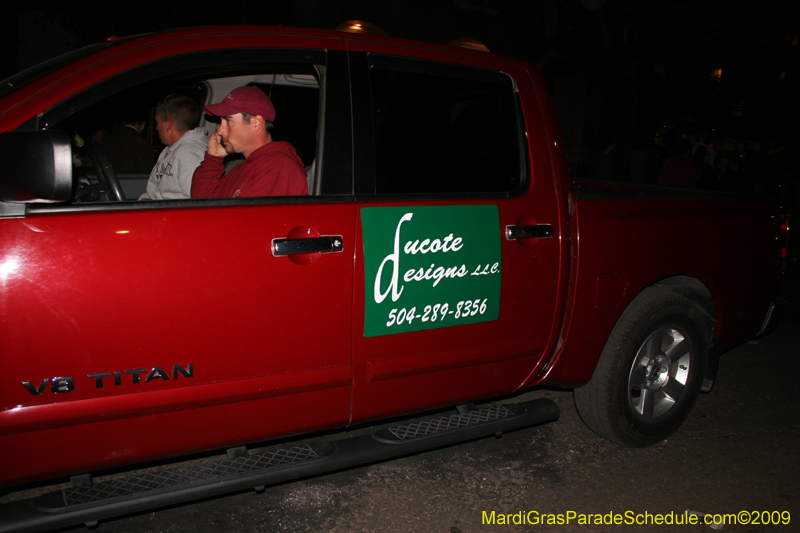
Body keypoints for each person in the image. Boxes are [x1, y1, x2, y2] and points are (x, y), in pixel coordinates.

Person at [191, 86, 308, 198]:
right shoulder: (242, 168)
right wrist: (213, 160)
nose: (220, 131)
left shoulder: (277, 167)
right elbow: (202, 202)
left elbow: (244, 218)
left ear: (257, 123)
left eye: (228, 121)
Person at [140, 95, 208, 200]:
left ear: (168, 125)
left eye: (157, 122)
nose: (157, 128)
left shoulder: (189, 153)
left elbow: (197, 201)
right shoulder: (168, 151)